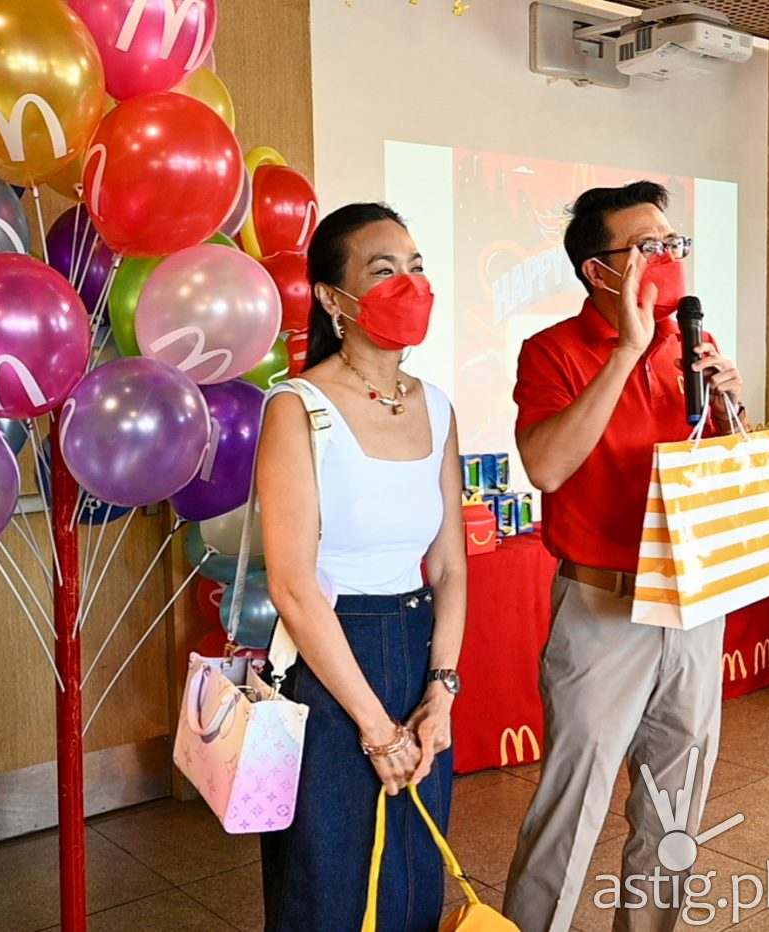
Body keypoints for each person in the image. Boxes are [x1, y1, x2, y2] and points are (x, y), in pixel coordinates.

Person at [502, 181, 746, 932]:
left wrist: (732, 410)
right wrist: (627, 354)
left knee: (675, 807)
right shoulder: (551, 351)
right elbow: (546, 467)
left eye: (673, 243)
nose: (668, 257)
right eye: (648, 246)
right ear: (598, 270)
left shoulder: (692, 346)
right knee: (571, 807)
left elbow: (717, 472)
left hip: (694, 602)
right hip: (603, 607)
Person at [256, 203, 468, 931]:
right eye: (383, 271)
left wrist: (441, 690)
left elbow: (450, 565)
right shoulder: (298, 408)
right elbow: (292, 587)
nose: (409, 284)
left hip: (417, 650)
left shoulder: (436, 406)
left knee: (412, 874)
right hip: (331, 663)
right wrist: (377, 729)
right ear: (332, 297)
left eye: (416, 267)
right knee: (331, 883)